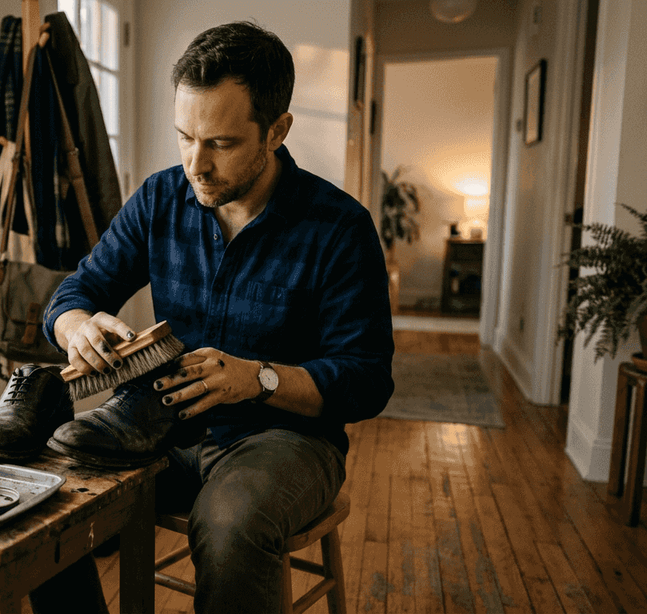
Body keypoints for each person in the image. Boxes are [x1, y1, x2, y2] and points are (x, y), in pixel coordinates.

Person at [33, 21, 395, 614]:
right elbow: (77, 290)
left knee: (227, 525)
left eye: (221, 144)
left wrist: (259, 377)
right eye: (184, 137)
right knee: (40, 499)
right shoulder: (159, 199)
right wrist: (77, 325)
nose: (195, 165)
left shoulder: (340, 228)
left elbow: (367, 380)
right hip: (159, 428)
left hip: (285, 442)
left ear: (277, 130)